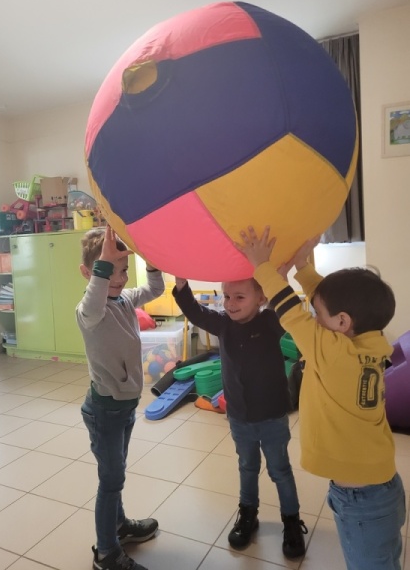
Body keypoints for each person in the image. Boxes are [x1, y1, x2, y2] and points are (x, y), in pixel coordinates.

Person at [236, 225, 406, 570]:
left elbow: (291, 313)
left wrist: (262, 267)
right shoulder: (371, 342)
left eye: (318, 317)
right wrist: (303, 267)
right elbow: (330, 305)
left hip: (360, 500)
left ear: (342, 322)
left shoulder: (335, 352)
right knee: (386, 559)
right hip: (381, 486)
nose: (314, 321)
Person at [173, 276, 307, 558]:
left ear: (261, 299)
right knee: (247, 466)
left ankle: (292, 521)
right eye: (227, 296)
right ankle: (248, 514)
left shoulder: (270, 321)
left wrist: (277, 277)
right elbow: (195, 312)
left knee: (280, 470)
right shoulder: (223, 324)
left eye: (239, 297)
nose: (230, 304)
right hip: (239, 416)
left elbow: (288, 307)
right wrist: (182, 286)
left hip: (272, 416)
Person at [77, 226, 165, 570]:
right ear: (89, 273)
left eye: (124, 270)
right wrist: (104, 264)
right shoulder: (90, 311)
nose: (119, 278)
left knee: (117, 473)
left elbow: (155, 288)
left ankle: (119, 525)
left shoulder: (125, 299)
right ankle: (106, 553)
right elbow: (94, 299)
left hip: (124, 406)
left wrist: (151, 261)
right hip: (105, 410)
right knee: (111, 480)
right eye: (109, 271)